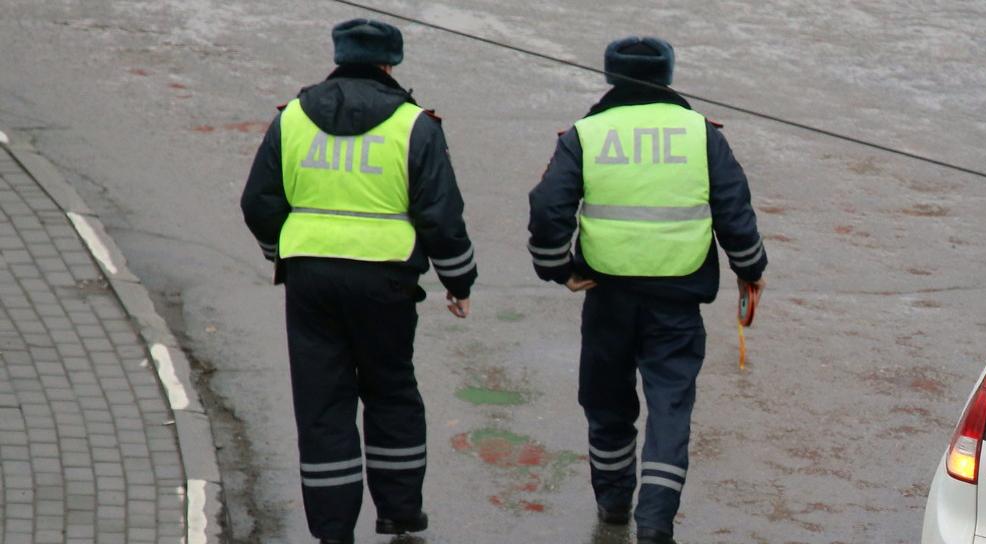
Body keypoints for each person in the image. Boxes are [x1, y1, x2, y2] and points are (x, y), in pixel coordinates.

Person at [240, 18, 477, 544]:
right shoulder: (415, 126)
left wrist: (281, 252)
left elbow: (258, 203)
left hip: (310, 282)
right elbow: (441, 215)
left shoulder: (293, 119)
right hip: (386, 283)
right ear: (390, 64)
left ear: (339, 55)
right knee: (390, 391)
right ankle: (399, 512)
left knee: (323, 404)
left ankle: (332, 530)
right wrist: (458, 281)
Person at [527, 36, 768, 544]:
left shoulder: (586, 134)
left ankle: (614, 506)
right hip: (677, 304)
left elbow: (548, 207)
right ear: (669, 75)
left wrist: (559, 269)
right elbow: (734, 211)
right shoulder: (701, 134)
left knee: (607, 404)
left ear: (611, 75)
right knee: (670, 411)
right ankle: (655, 523)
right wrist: (751, 269)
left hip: (607, 297)